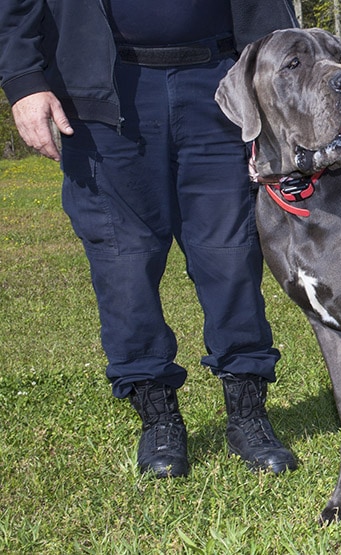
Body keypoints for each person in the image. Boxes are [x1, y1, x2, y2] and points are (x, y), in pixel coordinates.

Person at [0, 1, 300, 478]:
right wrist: (23, 80)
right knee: (123, 262)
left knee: (231, 254)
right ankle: (158, 419)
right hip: (103, 91)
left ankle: (248, 413)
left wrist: (284, 85)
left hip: (220, 84)